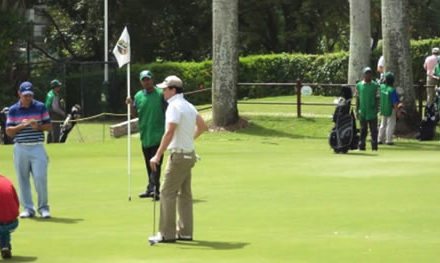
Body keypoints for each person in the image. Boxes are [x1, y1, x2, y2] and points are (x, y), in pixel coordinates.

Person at [148, 75, 208, 243]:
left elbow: (170, 131)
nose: (162, 92)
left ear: (173, 90)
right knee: (185, 194)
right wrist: (189, 141)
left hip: (179, 155)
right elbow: (203, 127)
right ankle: (185, 232)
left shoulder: (174, 106)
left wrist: (158, 154)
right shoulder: (189, 106)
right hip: (189, 155)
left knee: (167, 192)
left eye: (165, 89)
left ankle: (166, 234)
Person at [6, 81, 52, 219]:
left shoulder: (40, 107)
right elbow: (9, 131)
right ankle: (28, 208)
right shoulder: (13, 109)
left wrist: (37, 126)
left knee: (40, 178)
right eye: (25, 95)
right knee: (23, 179)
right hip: (20, 148)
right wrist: (22, 125)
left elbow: (49, 126)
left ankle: (43, 207)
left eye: (30, 95)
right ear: (19, 94)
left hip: (37, 146)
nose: (28, 98)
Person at [126, 70, 166, 199]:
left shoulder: (160, 94)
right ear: (141, 81)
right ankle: (150, 188)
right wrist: (130, 105)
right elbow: (135, 114)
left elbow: (168, 109)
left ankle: (156, 189)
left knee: (156, 163)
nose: (146, 82)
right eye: (144, 80)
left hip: (158, 134)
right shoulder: (138, 96)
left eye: (148, 79)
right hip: (145, 134)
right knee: (149, 163)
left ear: (152, 80)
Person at [356, 67, 380, 151]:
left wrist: (377, 109)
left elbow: (377, 98)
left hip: (372, 111)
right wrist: (357, 110)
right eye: (367, 73)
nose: (368, 75)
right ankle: (361, 145)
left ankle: (374, 146)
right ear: (364, 74)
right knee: (363, 130)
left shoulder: (375, 85)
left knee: (374, 131)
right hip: (363, 111)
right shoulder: (359, 85)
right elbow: (358, 99)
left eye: (370, 73)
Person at [0, 174, 19, 259]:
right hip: (12, 222)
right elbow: (16, 203)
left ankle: (4, 245)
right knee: (4, 229)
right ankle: (5, 246)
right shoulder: (7, 181)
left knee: (2, 227)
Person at [378, 72, 400, 145]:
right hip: (391, 109)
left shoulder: (382, 87)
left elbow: (379, 84)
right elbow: (395, 102)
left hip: (383, 108)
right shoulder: (392, 90)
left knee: (383, 124)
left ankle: (380, 138)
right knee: (391, 124)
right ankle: (389, 140)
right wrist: (397, 111)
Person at [45, 79, 66, 143]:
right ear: (55, 87)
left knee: (50, 130)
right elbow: (55, 108)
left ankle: (49, 143)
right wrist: (63, 113)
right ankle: (55, 143)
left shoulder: (49, 93)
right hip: (53, 114)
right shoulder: (54, 95)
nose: (59, 87)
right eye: (58, 86)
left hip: (47, 114)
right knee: (56, 130)